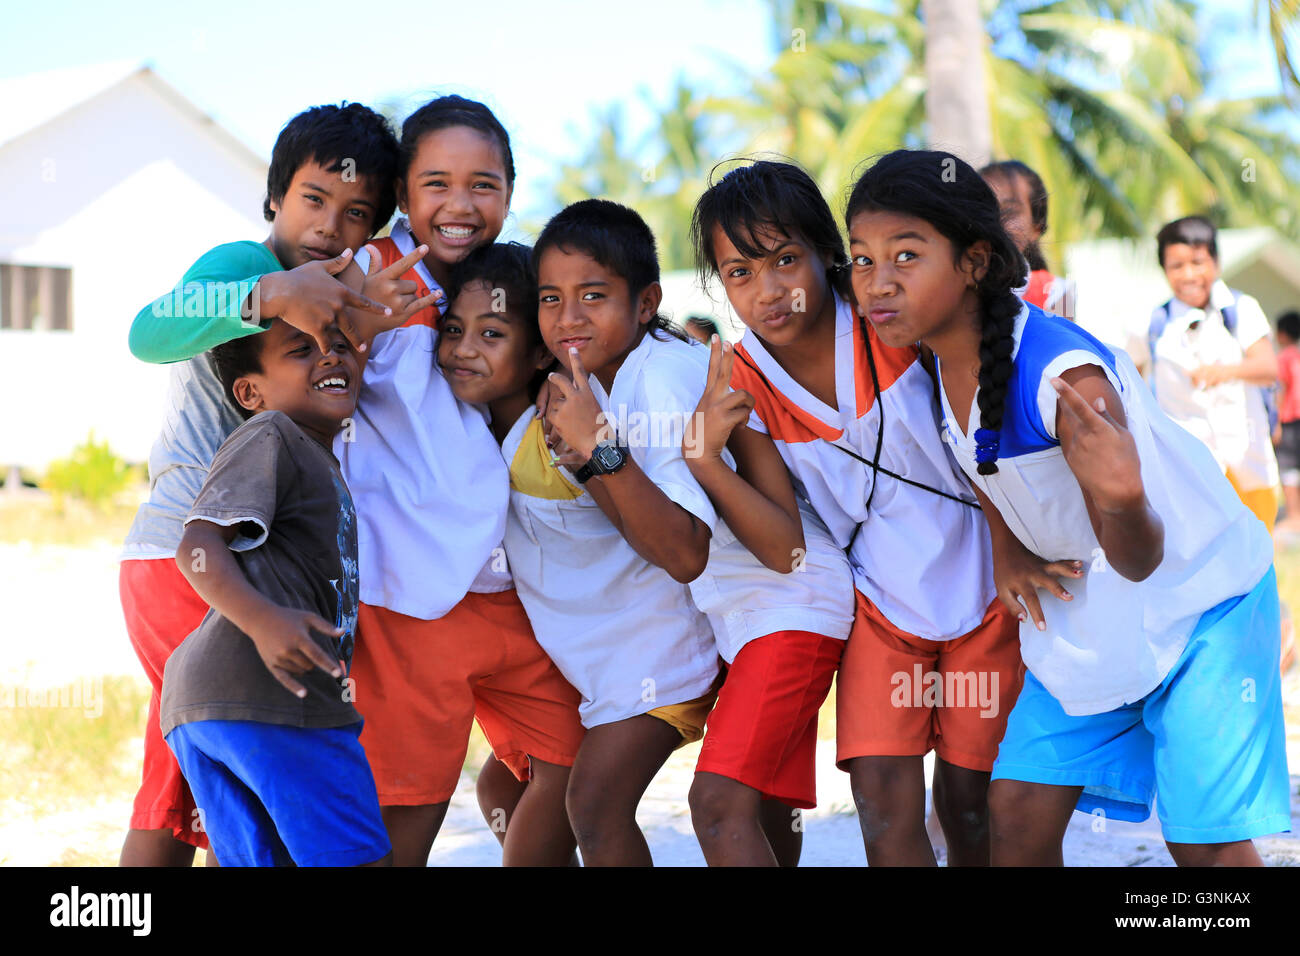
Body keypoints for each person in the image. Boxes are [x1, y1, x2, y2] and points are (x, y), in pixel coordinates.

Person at [845, 148, 1289, 866]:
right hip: (1093, 614)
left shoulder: (1065, 379)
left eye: (906, 254)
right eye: (861, 259)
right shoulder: (935, 358)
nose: (877, 281)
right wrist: (1008, 547)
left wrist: (1125, 498)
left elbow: (1141, 557)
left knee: (1202, 847)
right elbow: (981, 457)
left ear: (975, 262)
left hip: (1203, 604)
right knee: (1015, 813)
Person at [694, 160, 1022, 866]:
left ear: (826, 253)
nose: (769, 291)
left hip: (988, 582)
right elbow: (786, 549)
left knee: (968, 805)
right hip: (879, 604)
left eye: (786, 260)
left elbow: (988, 431)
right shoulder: (743, 380)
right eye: (740, 273)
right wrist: (702, 461)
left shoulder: (893, 318)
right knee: (881, 801)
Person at [119, 102, 409, 866]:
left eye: (356, 214)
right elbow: (147, 332)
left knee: (215, 782)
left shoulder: (327, 306)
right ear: (276, 197)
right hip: (187, 550)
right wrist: (267, 296)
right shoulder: (246, 267)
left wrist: (363, 329)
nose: (329, 225)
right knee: (191, 773)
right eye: (314, 199)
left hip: (234, 558)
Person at [525, 199, 722, 866]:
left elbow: (684, 551)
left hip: (692, 640)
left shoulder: (662, 377)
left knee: (595, 805)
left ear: (645, 304)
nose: (568, 317)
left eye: (593, 295)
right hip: (676, 633)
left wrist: (596, 448)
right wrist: (587, 454)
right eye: (551, 298)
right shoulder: (603, 377)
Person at [161, 317, 390, 867]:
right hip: (272, 695)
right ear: (250, 392)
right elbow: (195, 546)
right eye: (300, 349)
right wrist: (264, 621)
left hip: (208, 703)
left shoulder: (313, 456)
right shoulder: (272, 434)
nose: (331, 356)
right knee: (360, 860)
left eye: (340, 345)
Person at [433, 241, 585, 866]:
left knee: (550, 776)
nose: (463, 348)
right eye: (453, 329)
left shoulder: (553, 431)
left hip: (561, 633)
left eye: (491, 333)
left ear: (538, 352)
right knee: (511, 780)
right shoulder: (454, 422)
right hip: (482, 629)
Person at [1137, 215, 1281, 532]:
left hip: (1248, 461)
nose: (1189, 274)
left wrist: (1223, 372)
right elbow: (1130, 379)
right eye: (1176, 266)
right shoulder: (1154, 324)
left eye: (1198, 262)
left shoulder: (1241, 309)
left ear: (1215, 262)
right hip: (1191, 469)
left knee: (1257, 552)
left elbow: (1268, 368)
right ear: (1164, 270)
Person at [980, 160, 1075, 321]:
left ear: (1036, 226)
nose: (995, 220)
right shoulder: (950, 287)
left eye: (1009, 211)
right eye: (984, 208)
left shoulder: (1056, 293)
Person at [1274, 310, 1300, 535]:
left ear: (1281, 334)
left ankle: (1294, 517)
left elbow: (1280, 388)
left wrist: (1276, 422)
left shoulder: (1282, 357)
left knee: (1288, 468)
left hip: (1290, 419)